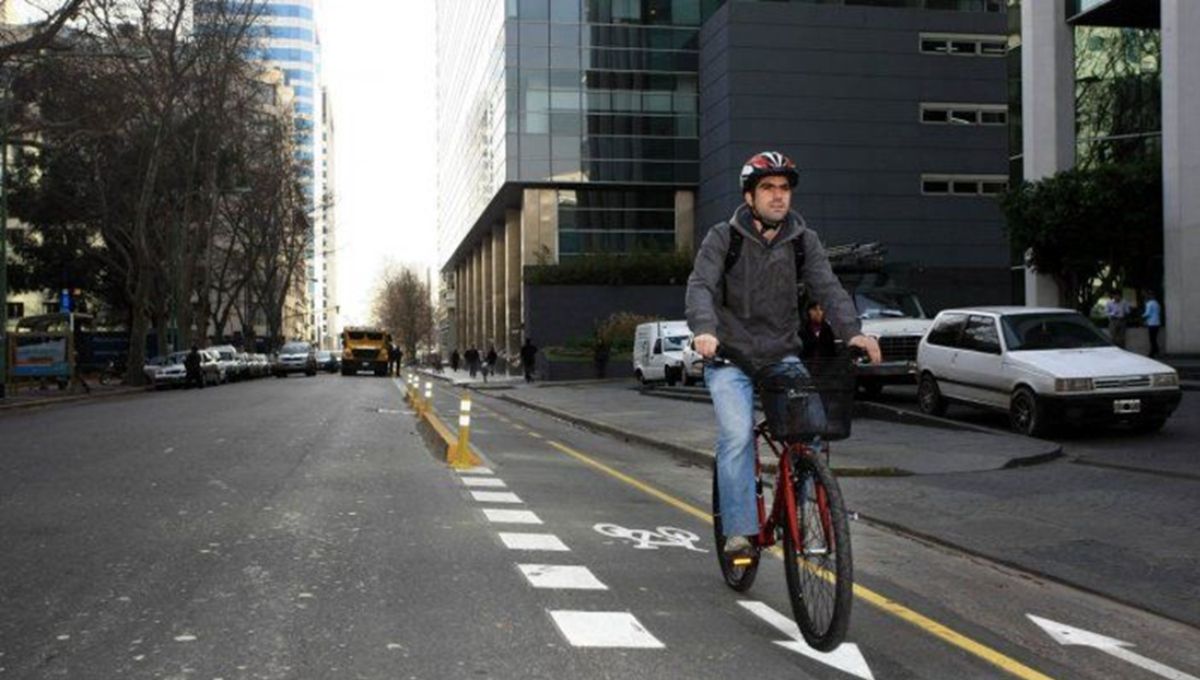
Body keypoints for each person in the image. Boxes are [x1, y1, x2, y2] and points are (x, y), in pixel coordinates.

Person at [685, 150, 881, 558]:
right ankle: (739, 531)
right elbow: (701, 286)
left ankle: (805, 513)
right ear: (750, 196)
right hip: (729, 358)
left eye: (785, 188)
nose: (778, 196)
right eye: (768, 188)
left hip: (781, 355)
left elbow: (828, 289)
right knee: (738, 437)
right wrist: (704, 330)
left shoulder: (802, 241)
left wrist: (854, 334)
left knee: (812, 430)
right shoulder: (724, 237)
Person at [1142, 290, 1162, 357]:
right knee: (1154, 338)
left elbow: (1147, 314)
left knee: (1152, 339)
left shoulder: (1149, 303)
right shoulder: (1157, 303)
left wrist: (1141, 316)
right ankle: (1156, 351)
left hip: (1151, 323)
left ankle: (1153, 352)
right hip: (1157, 323)